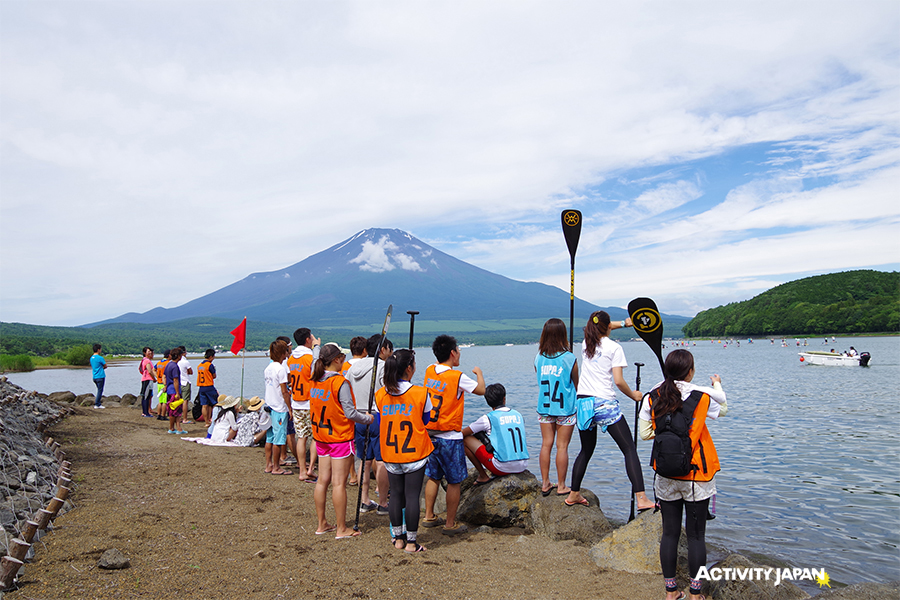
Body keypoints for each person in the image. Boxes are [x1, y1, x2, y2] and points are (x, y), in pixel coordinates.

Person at [639, 349, 727, 600]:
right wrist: (717, 384)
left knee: (669, 533)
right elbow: (724, 410)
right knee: (697, 535)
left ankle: (670, 591)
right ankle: (695, 593)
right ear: (690, 372)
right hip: (697, 475)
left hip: (665, 474)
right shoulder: (701, 397)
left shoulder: (652, 396)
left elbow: (645, 434)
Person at [566, 312, 653, 512]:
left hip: (583, 402)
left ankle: (573, 494)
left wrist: (624, 323)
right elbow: (619, 381)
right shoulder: (615, 348)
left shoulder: (586, 345)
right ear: (607, 326)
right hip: (604, 402)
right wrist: (634, 396)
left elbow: (601, 326)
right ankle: (641, 498)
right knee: (629, 449)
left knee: (586, 450)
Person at [309, 344, 375, 539]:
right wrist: (368, 418)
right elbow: (350, 412)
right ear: (337, 359)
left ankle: (322, 524)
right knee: (339, 484)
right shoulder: (339, 382)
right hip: (339, 437)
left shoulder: (315, 380)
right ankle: (341, 528)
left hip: (321, 437)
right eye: (342, 357)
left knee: (322, 481)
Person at [422, 335, 485, 536]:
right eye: (458, 350)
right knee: (454, 481)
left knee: (433, 476)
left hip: (430, 434)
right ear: (452, 353)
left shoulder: (429, 371)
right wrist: (479, 373)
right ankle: (450, 523)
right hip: (449, 436)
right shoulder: (457, 376)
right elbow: (481, 390)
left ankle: (429, 516)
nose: (459, 354)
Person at [376, 349, 434, 552]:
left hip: (391, 453)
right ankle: (411, 542)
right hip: (414, 453)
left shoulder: (381, 394)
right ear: (409, 368)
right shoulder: (420, 393)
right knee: (412, 496)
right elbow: (425, 420)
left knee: (396, 495)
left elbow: (380, 419)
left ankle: (398, 539)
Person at [346, 334, 394, 514]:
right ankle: (383, 503)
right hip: (377, 416)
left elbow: (347, 389)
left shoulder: (353, 367)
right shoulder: (383, 367)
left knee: (364, 461)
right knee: (381, 462)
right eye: (390, 348)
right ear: (383, 350)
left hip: (358, 416)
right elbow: (390, 391)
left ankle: (364, 500)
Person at [534, 318, 579, 496]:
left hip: (544, 407)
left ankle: (545, 482)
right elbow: (577, 383)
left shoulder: (539, 358)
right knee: (562, 446)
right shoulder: (569, 358)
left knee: (546, 444)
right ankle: (561, 485)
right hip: (565, 408)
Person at [462, 383, 529, 482]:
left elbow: (462, 433)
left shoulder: (488, 418)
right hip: (523, 465)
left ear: (488, 402)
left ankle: (483, 476)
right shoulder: (518, 414)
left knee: (466, 439)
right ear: (504, 398)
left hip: (501, 467)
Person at [287, 328, 321, 482]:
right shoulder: (310, 357)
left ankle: (301, 471)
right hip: (309, 402)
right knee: (315, 437)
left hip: (296, 402)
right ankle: (311, 468)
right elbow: (317, 374)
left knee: (301, 437)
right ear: (308, 339)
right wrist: (317, 347)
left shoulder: (291, 358)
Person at [264, 340, 293, 476]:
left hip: (269, 405)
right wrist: (290, 408)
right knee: (279, 438)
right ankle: (276, 467)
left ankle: (268, 464)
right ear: (283, 353)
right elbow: (284, 391)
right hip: (279, 408)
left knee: (270, 437)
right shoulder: (280, 369)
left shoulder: (268, 368)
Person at [165, 347, 187, 434]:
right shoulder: (175, 366)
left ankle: (173, 428)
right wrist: (178, 392)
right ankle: (178, 428)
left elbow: (164, 376)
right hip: (174, 390)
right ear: (178, 356)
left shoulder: (168, 365)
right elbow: (175, 380)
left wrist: (165, 385)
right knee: (177, 411)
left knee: (171, 410)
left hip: (169, 389)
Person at [197, 349, 218, 426]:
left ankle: (206, 422)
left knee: (204, 405)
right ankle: (214, 418)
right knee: (216, 403)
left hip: (201, 387)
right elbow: (214, 376)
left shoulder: (200, 365)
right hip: (209, 385)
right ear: (211, 357)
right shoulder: (209, 365)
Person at [177, 346, 194, 424]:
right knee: (185, 401)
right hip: (185, 382)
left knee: (178, 400)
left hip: (178, 382)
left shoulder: (175, 361)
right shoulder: (185, 361)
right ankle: (185, 418)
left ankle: (178, 417)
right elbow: (191, 372)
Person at [154, 350, 171, 421]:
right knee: (164, 401)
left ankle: (158, 414)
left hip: (159, 383)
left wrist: (157, 377)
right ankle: (163, 415)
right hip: (164, 383)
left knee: (160, 400)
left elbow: (153, 369)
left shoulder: (159, 362)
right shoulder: (168, 363)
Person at [138, 347, 155, 417]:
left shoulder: (145, 360)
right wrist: (154, 378)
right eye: (148, 351)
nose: (150, 353)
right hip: (147, 379)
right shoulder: (147, 360)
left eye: (150, 351)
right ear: (144, 353)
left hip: (147, 379)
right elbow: (150, 371)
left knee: (147, 396)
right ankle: (145, 412)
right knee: (146, 396)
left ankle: (145, 412)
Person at [90, 344, 107, 409]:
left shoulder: (91, 358)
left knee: (99, 390)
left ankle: (98, 403)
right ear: (98, 350)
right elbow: (105, 366)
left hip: (94, 376)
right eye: (100, 349)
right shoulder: (100, 358)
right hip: (100, 376)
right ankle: (97, 404)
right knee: (100, 390)